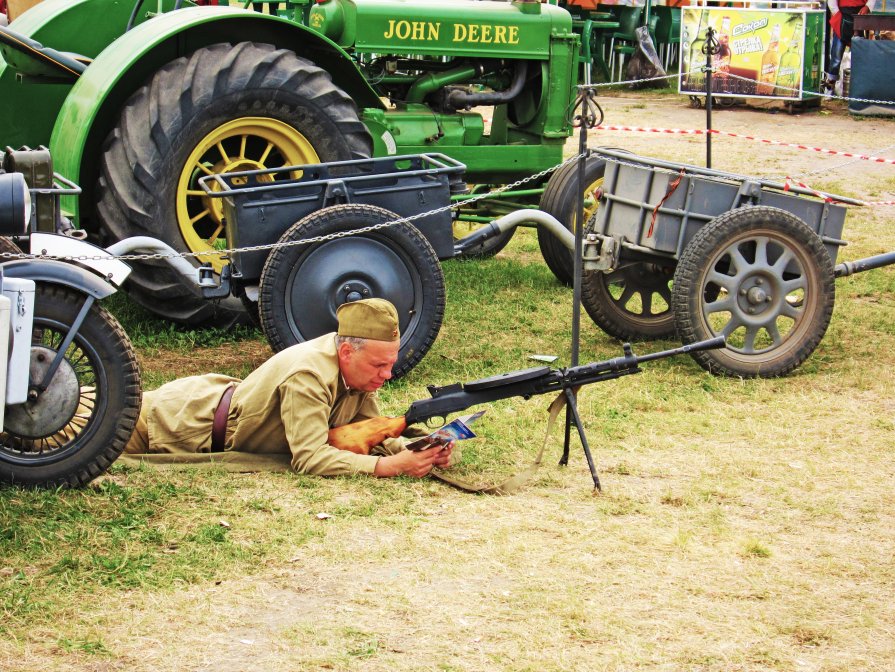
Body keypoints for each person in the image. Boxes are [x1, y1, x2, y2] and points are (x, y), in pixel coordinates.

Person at [125, 298, 453, 478]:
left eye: (390, 363)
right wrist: (385, 467)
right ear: (347, 352)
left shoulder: (359, 372)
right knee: (86, 431)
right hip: (172, 422)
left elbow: (369, 432)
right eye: (379, 365)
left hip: (202, 411)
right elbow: (309, 458)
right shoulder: (309, 375)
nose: (388, 374)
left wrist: (418, 452)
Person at [823, 0, 876, 91]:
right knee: (836, 56)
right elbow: (832, 2)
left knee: (859, 56)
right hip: (842, 16)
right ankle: (830, 87)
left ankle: (859, 89)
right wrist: (837, 14)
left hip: (860, 16)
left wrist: (867, 7)